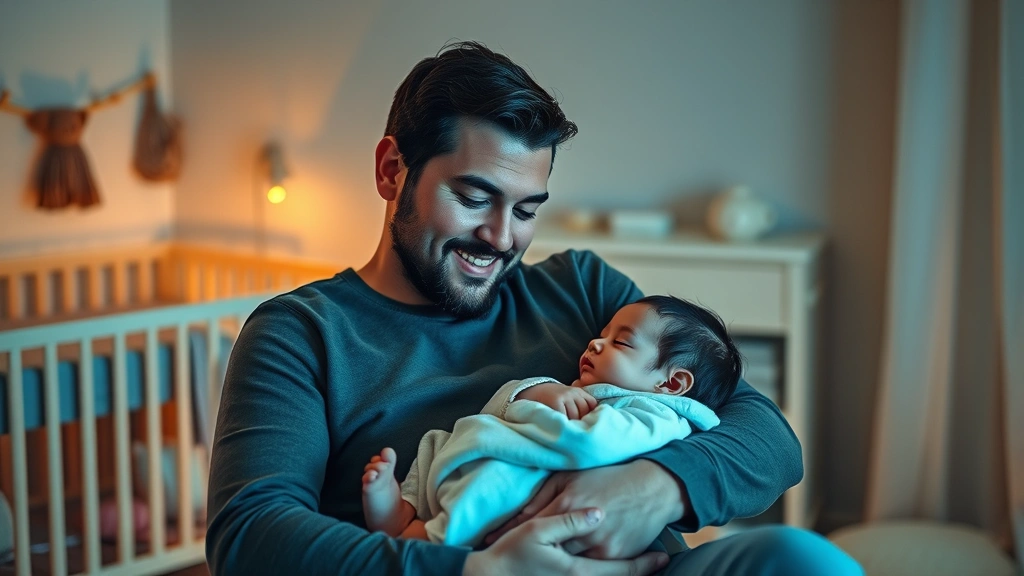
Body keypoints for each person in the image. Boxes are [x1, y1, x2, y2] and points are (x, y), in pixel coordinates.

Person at [206, 41, 863, 576]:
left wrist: (655, 485)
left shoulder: (582, 289)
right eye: (473, 197)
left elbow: (768, 438)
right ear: (390, 172)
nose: (500, 238)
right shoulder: (299, 333)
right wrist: (470, 572)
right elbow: (250, 534)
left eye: (525, 210)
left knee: (801, 558)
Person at [361, 295, 738, 547]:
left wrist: (531, 411)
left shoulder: (659, 415)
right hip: (486, 447)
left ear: (671, 383)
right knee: (437, 442)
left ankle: (416, 537)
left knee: (491, 491)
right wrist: (536, 392)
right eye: (602, 334)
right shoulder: (587, 389)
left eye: (620, 343)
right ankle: (406, 508)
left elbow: (591, 443)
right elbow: (497, 406)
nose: (595, 344)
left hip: (533, 484)